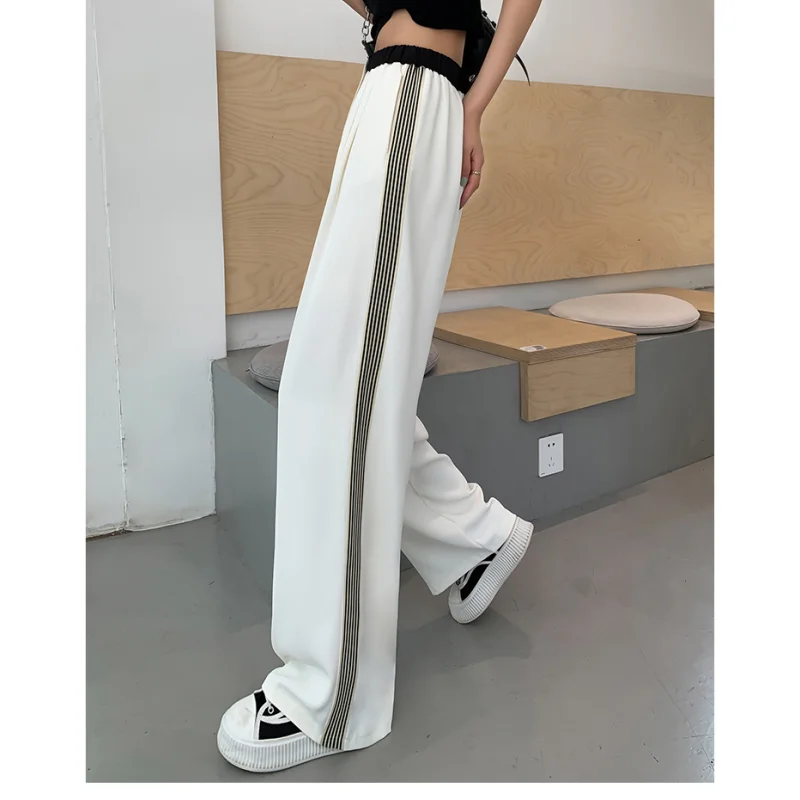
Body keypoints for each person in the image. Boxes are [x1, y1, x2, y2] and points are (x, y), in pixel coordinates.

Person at [217, 0, 545, 773]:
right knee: (337, 380)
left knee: (340, 388)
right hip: (384, 95)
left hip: (415, 94)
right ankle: (475, 539)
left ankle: (331, 696)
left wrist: (473, 107)